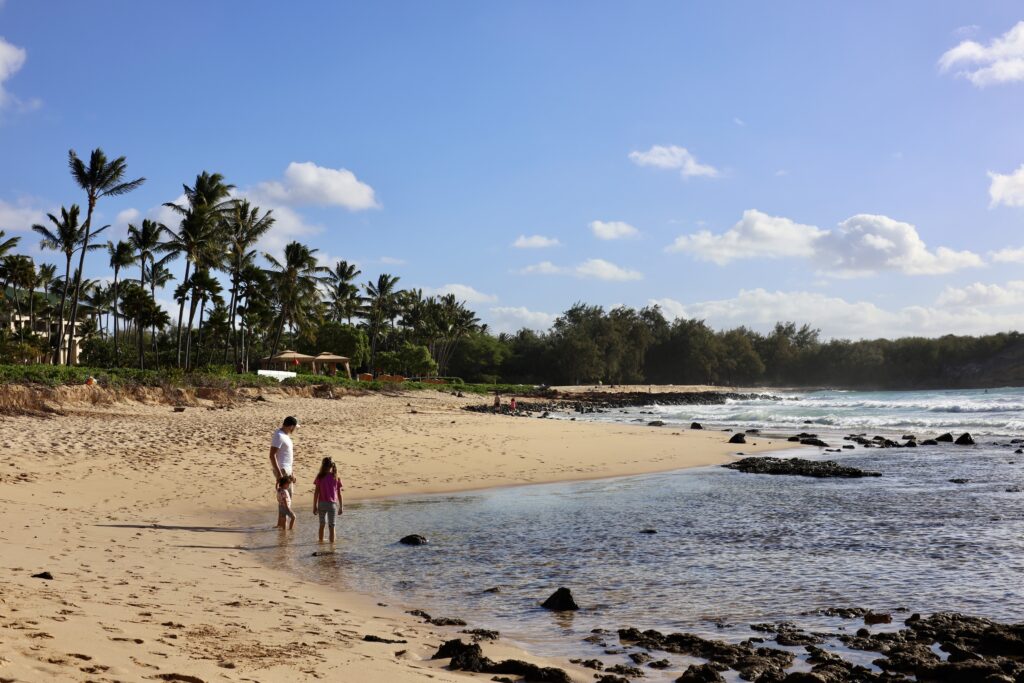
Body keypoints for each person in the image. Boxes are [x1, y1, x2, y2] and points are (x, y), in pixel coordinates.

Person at [312, 456, 344, 543]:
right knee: (332, 526)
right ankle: (332, 547)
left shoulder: (319, 477)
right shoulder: (336, 477)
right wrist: (341, 507)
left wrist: (314, 506)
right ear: (332, 466)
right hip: (332, 504)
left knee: (322, 525)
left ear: (322, 465)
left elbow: (316, 492)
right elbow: (339, 494)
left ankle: (321, 543)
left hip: (321, 503)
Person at [269, 416, 299, 488]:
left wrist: (292, 473)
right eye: (295, 427)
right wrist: (279, 473)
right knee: (285, 497)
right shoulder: (279, 435)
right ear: (291, 426)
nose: (295, 429)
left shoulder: (285, 435)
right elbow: (272, 455)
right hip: (283, 471)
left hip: (287, 471)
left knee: (288, 497)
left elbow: (287, 456)